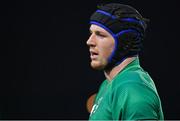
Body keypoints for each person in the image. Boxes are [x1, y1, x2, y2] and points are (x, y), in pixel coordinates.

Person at [86, 3, 164, 120]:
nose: (89, 41)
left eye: (100, 35)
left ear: (124, 42)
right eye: (91, 33)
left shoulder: (132, 89)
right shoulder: (108, 84)